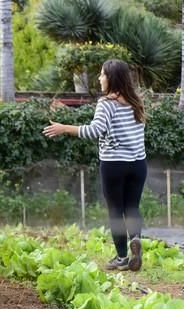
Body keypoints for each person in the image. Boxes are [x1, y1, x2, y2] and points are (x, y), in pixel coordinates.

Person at [43, 59, 146, 271]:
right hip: (138, 164)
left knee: (116, 210)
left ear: (112, 78)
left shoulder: (107, 104)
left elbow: (94, 130)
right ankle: (135, 238)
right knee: (132, 206)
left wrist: (64, 128)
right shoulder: (136, 101)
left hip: (114, 164)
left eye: (102, 75)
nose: (99, 79)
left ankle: (121, 258)